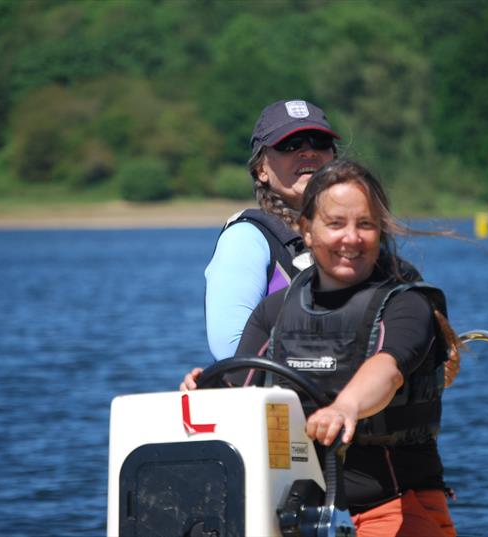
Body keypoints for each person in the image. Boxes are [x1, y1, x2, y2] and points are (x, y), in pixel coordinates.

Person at [184, 159, 460, 536]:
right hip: (297, 514)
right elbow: (236, 391)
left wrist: (346, 407)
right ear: (307, 230)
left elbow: (389, 369)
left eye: (365, 224)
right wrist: (204, 393)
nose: (351, 238)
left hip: (394, 507)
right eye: (335, 224)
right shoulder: (275, 312)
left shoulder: (406, 304)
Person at [204, 99, 340, 361]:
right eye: (290, 145)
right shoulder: (246, 239)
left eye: (319, 142)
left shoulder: (355, 237)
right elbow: (231, 350)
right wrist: (334, 362)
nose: (308, 152)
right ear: (261, 169)